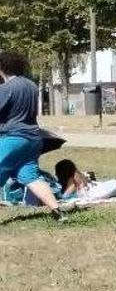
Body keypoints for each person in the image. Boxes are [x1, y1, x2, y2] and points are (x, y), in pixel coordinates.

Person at [0, 52, 69, 221]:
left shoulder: (7, 88)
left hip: (13, 137)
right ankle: (58, 212)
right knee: (30, 177)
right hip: (33, 138)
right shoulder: (31, 85)